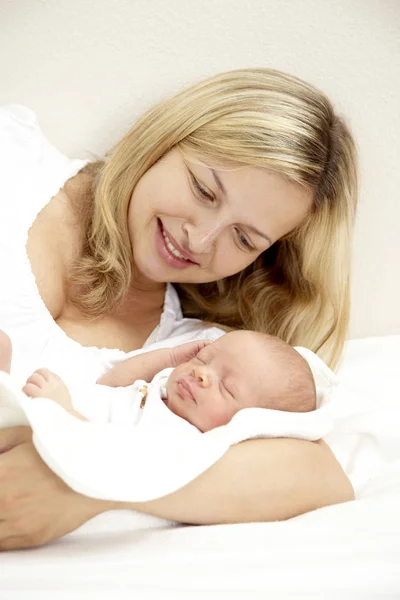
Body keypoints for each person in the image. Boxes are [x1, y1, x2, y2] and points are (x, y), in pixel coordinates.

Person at [0, 67, 357, 550]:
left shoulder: (192, 363)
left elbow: (321, 477)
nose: (200, 239)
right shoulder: (14, 164)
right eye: (204, 190)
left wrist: (91, 487)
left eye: (244, 237)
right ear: (164, 141)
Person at [19, 330, 316, 431]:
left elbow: (109, 454)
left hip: (57, 427)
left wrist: (61, 410)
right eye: (205, 359)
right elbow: (111, 381)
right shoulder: (163, 391)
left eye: (226, 387)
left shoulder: (179, 438)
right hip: (40, 403)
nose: (201, 373)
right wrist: (171, 358)